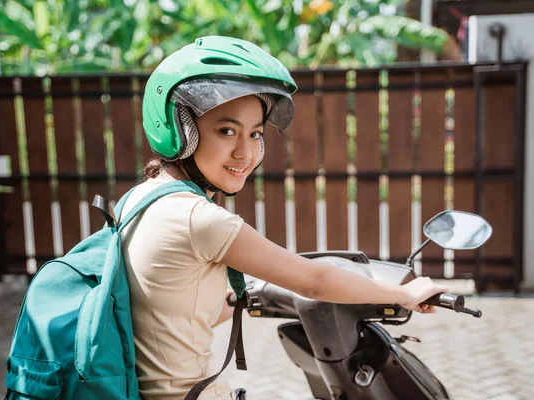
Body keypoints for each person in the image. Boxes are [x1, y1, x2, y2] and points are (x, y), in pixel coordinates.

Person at [119, 36, 447, 400]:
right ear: (180, 129)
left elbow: (176, 311)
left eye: (255, 134)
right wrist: (403, 293)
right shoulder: (199, 218)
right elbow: (314, 282)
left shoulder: (139, 198)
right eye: (226, 131)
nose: (245, 152)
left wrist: (241, 297)